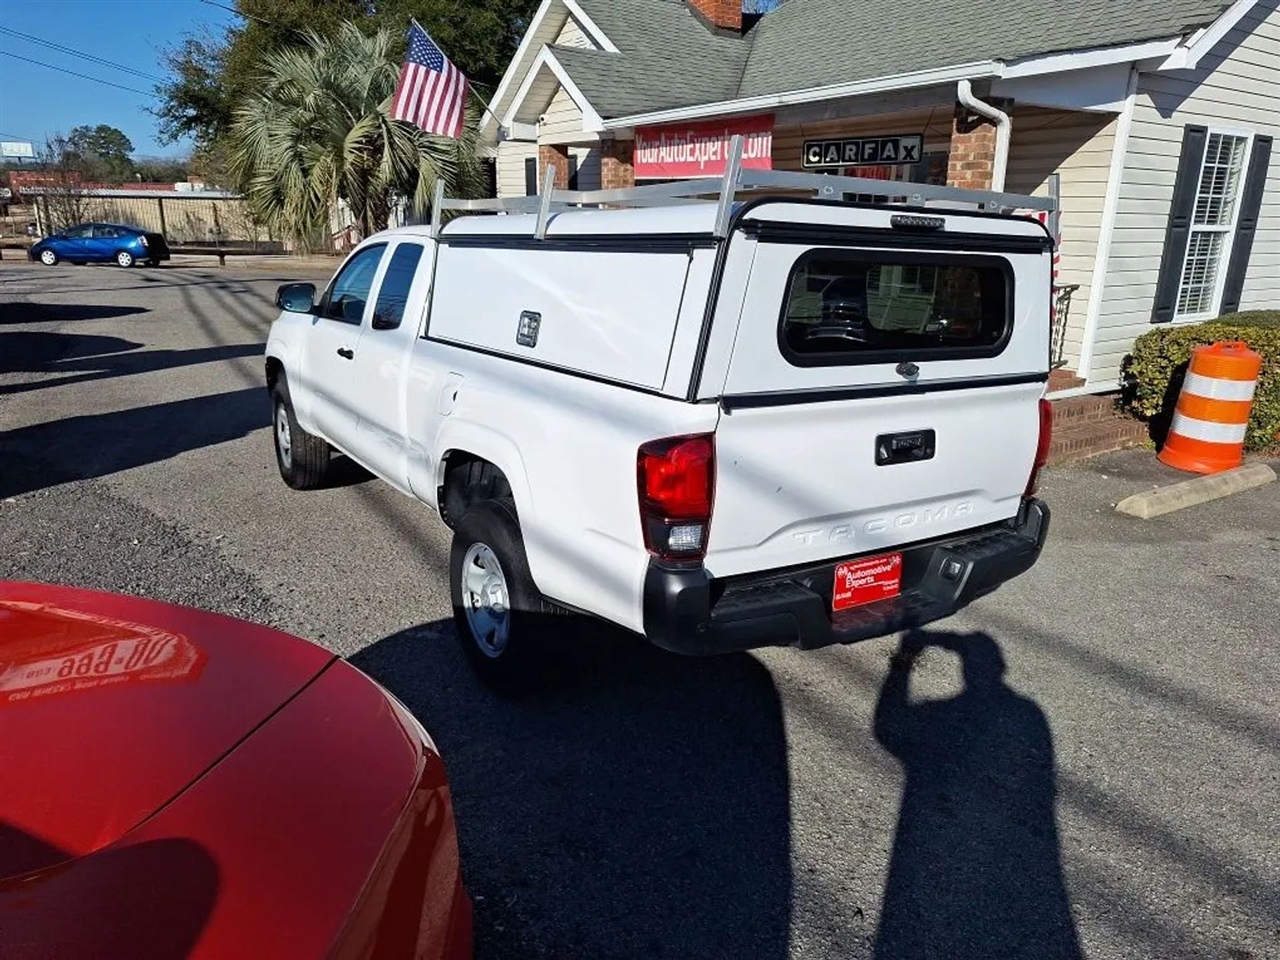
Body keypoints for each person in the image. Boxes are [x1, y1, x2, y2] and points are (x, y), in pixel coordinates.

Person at [873, 629, 1083, 960]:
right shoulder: (1028, 713)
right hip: (1022, 864)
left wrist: (903, 663)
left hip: (942, 855)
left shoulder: (952, 717)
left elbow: (888, 728)